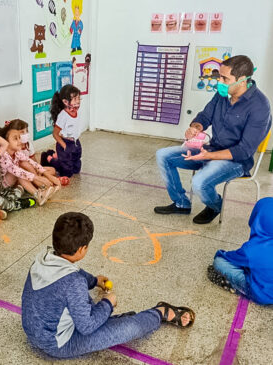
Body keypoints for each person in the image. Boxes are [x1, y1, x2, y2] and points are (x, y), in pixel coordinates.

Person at [22, 212, 195, 359]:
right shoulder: (73, 283)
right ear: (82, 249)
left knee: (81, 301)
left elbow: (70, 271)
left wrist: (94, 281)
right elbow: (86, 327)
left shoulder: (43, 257)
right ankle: (159, 312)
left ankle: (113, 317)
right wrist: (108, 303)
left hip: (33, 332)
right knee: (129, 329)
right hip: (57, 343)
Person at [154, 55, 272, 224]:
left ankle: (215, 206)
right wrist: (195, 128)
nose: (220, 82)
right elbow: (205, 116)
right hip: (211, 149)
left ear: (243, 80)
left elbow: (244, 150)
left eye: (225, 78)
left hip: (236, 161)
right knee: (163, 155)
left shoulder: (260, 107)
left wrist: (207, 156)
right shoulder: (222, 94)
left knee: (199, 182)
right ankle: (181, 203)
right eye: (220, 77)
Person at [208, 197, 273, 305]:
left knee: (219, 263)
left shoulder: (251, 249)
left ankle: (238, 288)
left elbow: (229, 258)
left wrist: (220, 253)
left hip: (263, 295)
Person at [0, 123, 55, 206]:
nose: (20, 141)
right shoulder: (3, 156)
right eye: (15, 139)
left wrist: (43, 173)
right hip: (2, 187)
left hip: (13, 182)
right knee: (20, 174)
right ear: (6, 142)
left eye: (19, 138)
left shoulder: (17, 152)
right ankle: (38, 195)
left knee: (26, 166)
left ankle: (43, 188)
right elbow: (16, 171)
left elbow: (31, 162)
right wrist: (38, 178)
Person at [42, 84, 82, 180]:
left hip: (75, 142)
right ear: (65, 101)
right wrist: (64, 146)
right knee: (67, 173)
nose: (78, 101)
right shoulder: (63, 116)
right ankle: (50, 159)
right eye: (75, 99)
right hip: (65, 143)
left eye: (79, 98)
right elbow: (55, 134)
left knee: (76, 169)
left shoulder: (76, 112)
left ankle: (58, 157)